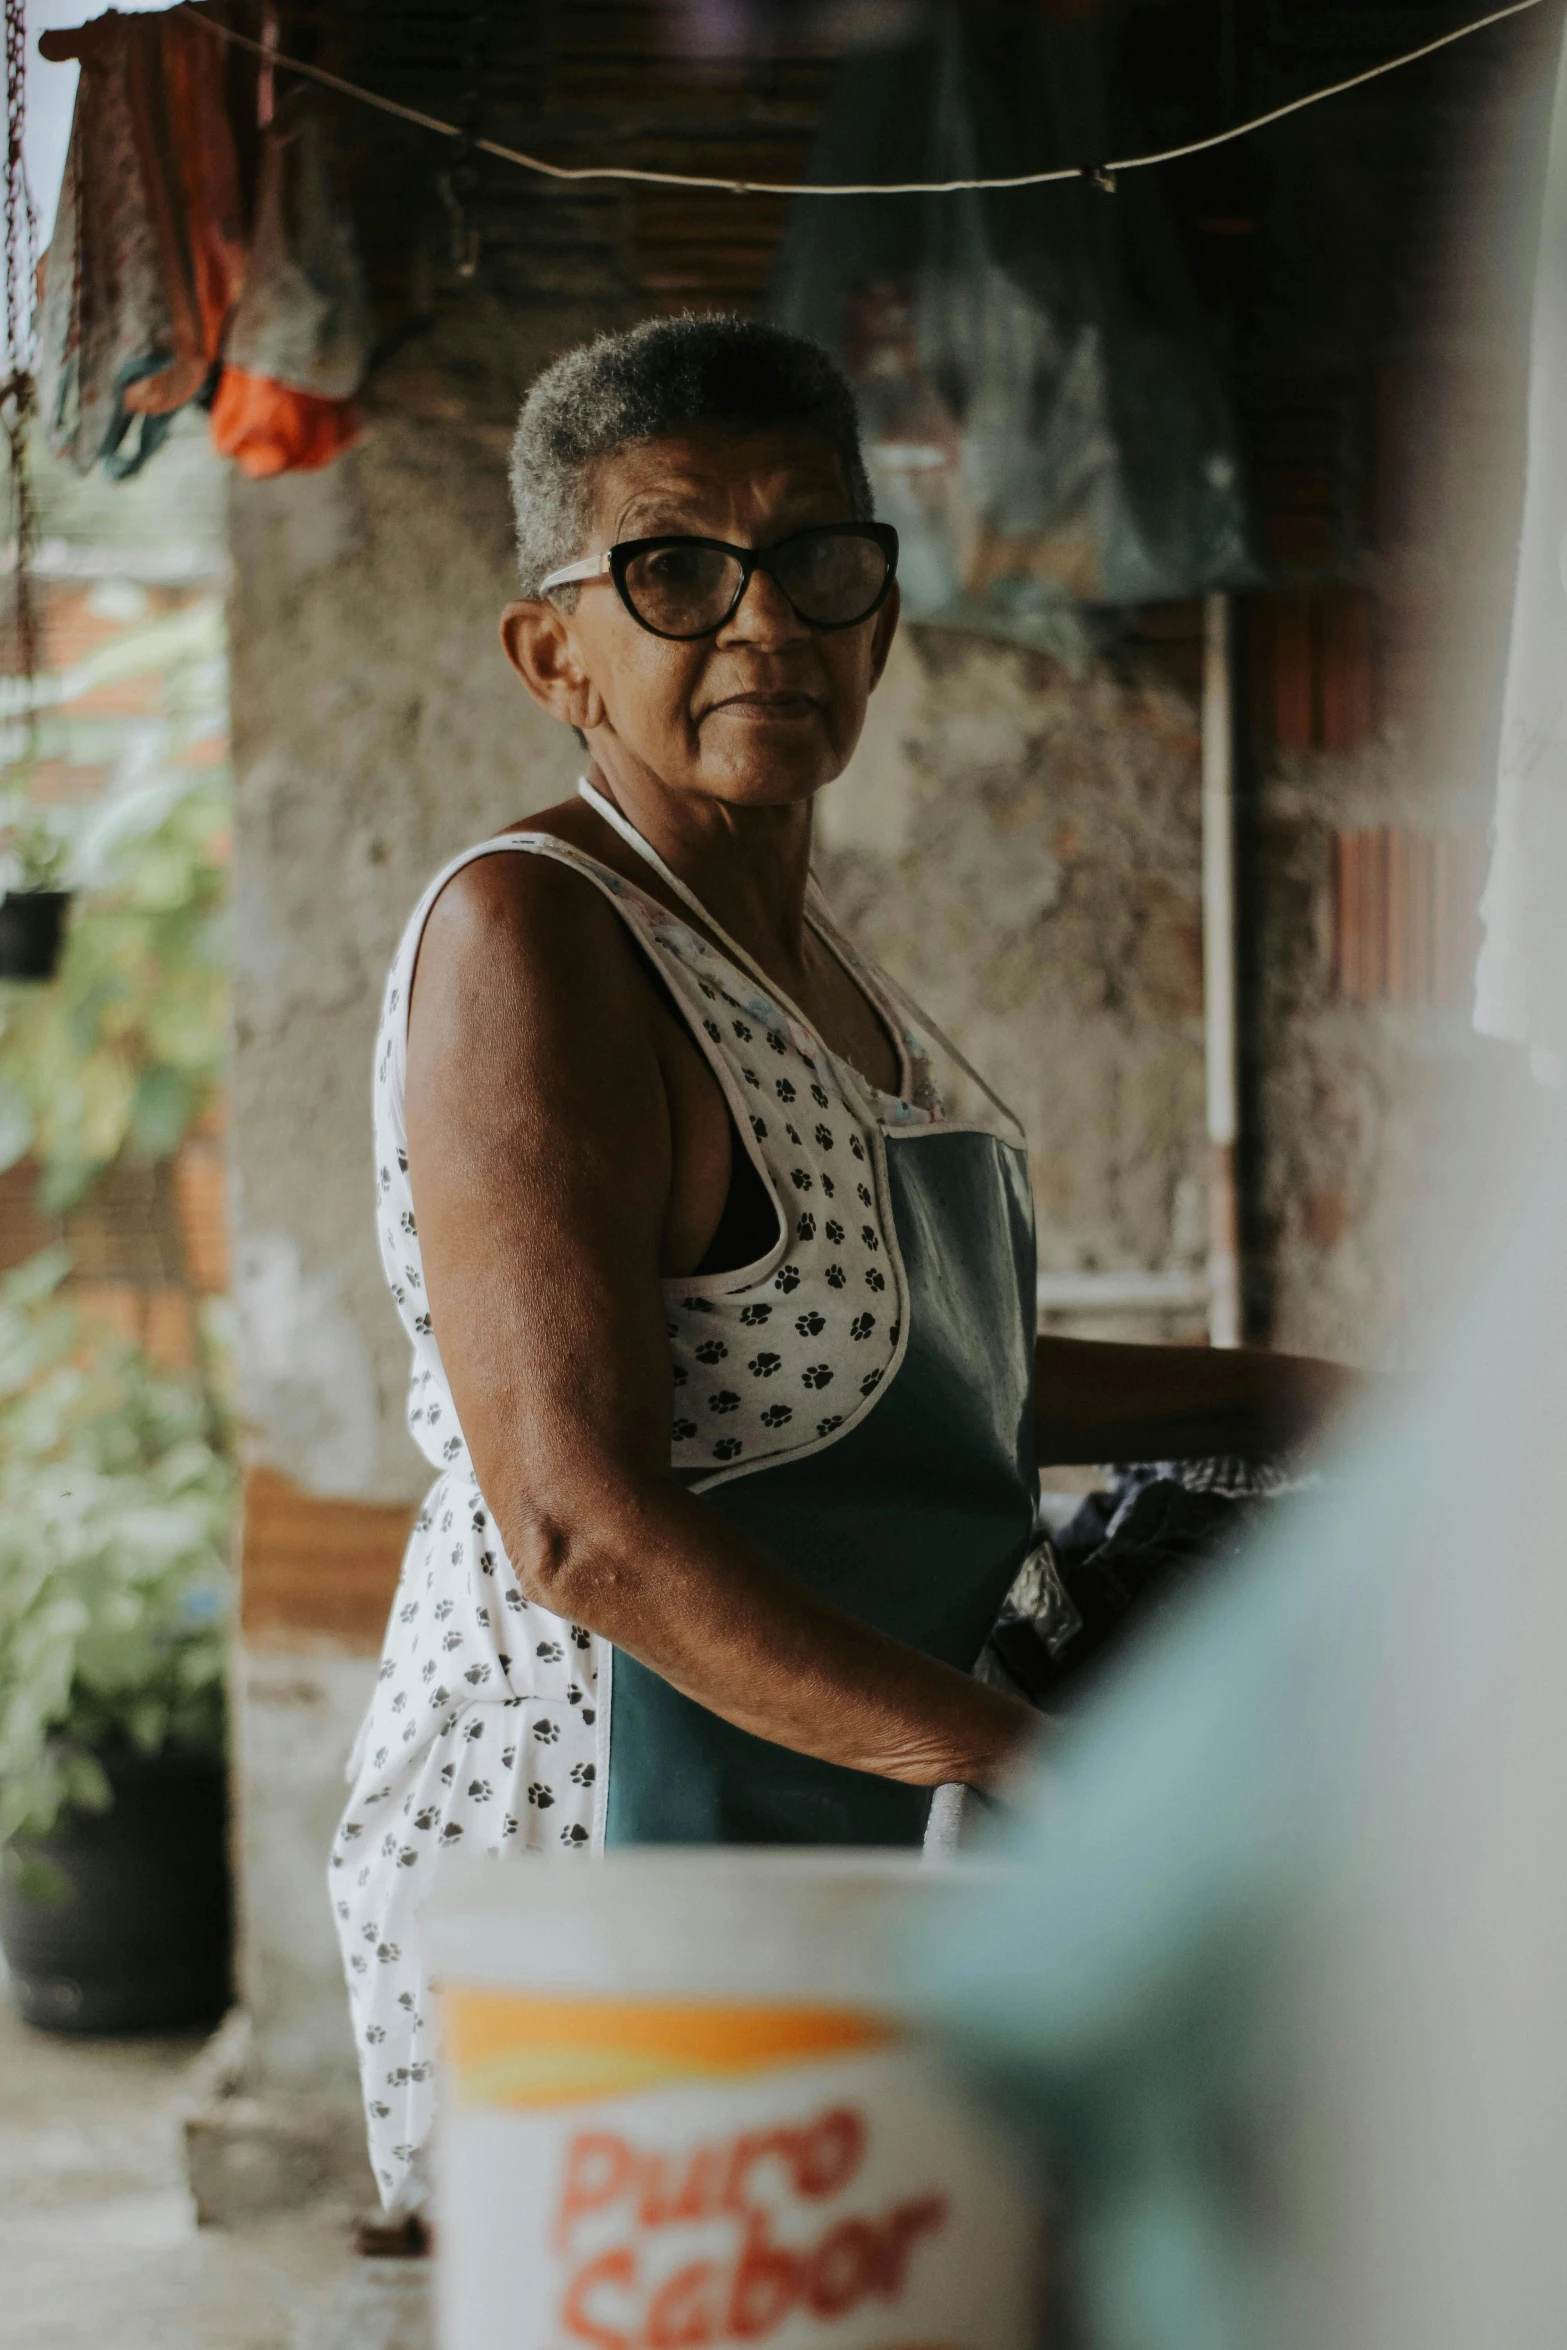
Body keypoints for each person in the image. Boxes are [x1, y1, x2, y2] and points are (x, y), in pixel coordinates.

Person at [330, 312, 1352, 2213]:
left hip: (830, 1812)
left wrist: (1298, 1395)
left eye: (818, 559)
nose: (764, 621)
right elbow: (581, 1530)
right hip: (612, 1858)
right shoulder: (532, 940)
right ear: (553, 649)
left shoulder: (810, 971)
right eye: (673, 569)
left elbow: (898, 1372)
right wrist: (1045, 1772)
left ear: (879, 617)